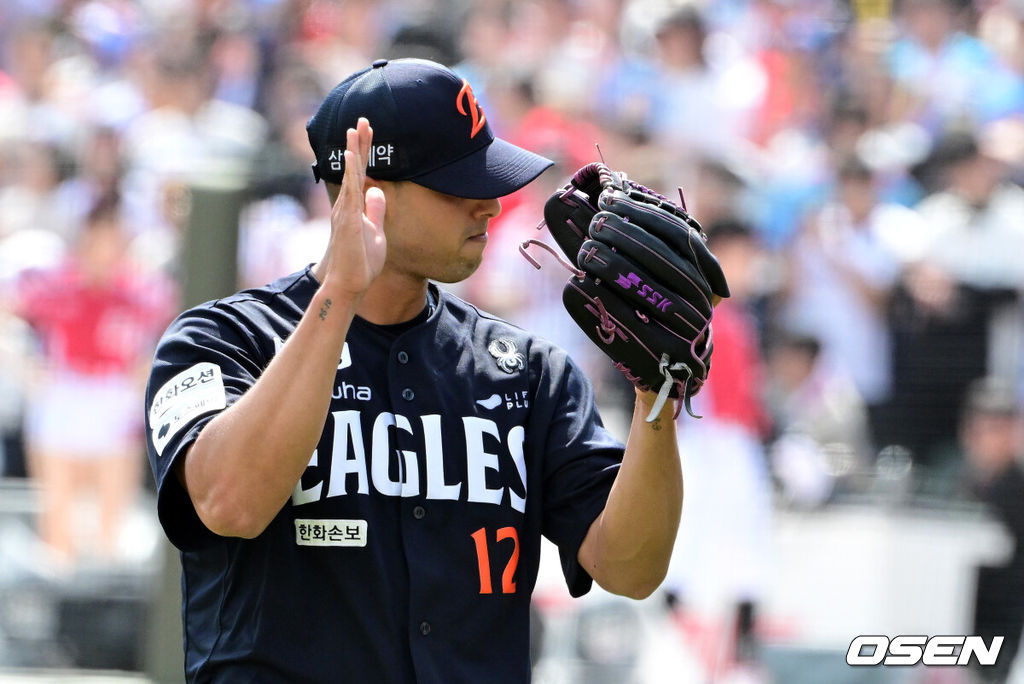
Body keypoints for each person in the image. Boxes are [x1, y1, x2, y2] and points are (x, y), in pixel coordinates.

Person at [145, 58, 685, 682]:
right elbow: (228, 504)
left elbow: (633, 568)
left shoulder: (528, 372)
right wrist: (339, 296)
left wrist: (656, 396)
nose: (490, 205)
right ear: (366, 189)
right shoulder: (223, 339)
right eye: (458, 185)